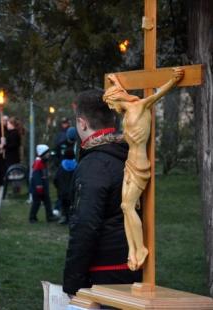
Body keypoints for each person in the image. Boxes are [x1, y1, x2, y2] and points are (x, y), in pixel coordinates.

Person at [63, 89, 142, 297]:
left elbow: (85, 225)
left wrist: (74, 283)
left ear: (82, 123)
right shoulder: (127, 154)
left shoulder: (95, 165)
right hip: (132, 263)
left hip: (106, 269)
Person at [103, 69, 184, 271]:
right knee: (124, 207)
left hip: (140, 164)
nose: (111, 108)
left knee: (128, 207)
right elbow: (121, 93)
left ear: (114, 99)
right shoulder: (127, 108)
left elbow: (157, 94)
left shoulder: (139, 106)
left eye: (110, 103)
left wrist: (173, 80)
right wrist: (114, 81)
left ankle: (141, 249)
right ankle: (132, 250)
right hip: (129, 162)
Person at [29, 144, 58, 223]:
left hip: (43, 188)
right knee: (36, 203)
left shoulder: (43, 162)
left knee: (47, 202)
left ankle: (50, 216)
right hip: (38, 188)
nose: (48, 155)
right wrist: (39, 187)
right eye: (47, 153)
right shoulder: (38, 163)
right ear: (43, 153)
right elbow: (36, 176)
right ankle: (32, 217)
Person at [53, 148, 77, 225]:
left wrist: (57, 187)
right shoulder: (76, 166)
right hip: (72, 191)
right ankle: (71, 219)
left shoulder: (61, 166)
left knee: (64, 205)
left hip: (62, 191)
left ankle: (64, 218)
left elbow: (56, 178)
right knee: (72, 205)